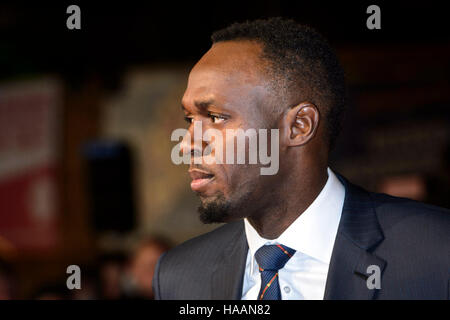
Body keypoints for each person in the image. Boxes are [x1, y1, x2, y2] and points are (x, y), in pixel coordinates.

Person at [153, 17, 450, 300]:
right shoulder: (179, 277)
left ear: (299, 126)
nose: (187, 144)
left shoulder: (435, 252)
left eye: (216, 117)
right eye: (190, 118)